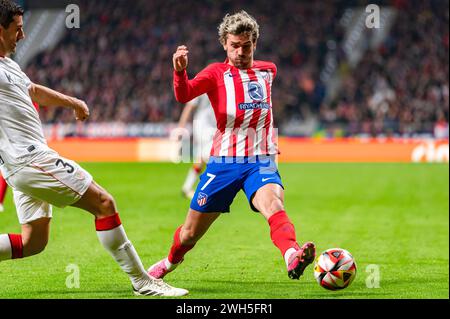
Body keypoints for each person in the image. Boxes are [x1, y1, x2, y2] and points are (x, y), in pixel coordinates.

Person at [0, 0, 187, 297]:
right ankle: (143, 281)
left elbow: (32, 90)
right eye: (17, 30)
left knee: (34, 242)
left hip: (21, 166)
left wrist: (72, 102)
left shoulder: (8, 65)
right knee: (103, 203)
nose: (22, 36)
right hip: (30, 160)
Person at [148, 10, 315, 281]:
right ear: (225, 43)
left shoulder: (267, 70)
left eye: (246, 46)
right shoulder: (215, 73)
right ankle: (169, 262)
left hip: (260, 158)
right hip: (224, 162)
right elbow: (185, 95)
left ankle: (292, 255)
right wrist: (179, 72)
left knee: (274, 205)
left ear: (254, 44)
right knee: (190, 233)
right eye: (234, 45)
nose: (240, 52)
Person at [178, 94, 216, 199]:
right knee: (211, 156)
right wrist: (181, 126)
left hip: (213, 126)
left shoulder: (222, 81)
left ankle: (187, 187)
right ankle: (211, 188)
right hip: (203, 128)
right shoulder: (202, 81)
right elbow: (190, 106)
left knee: (201, 159)